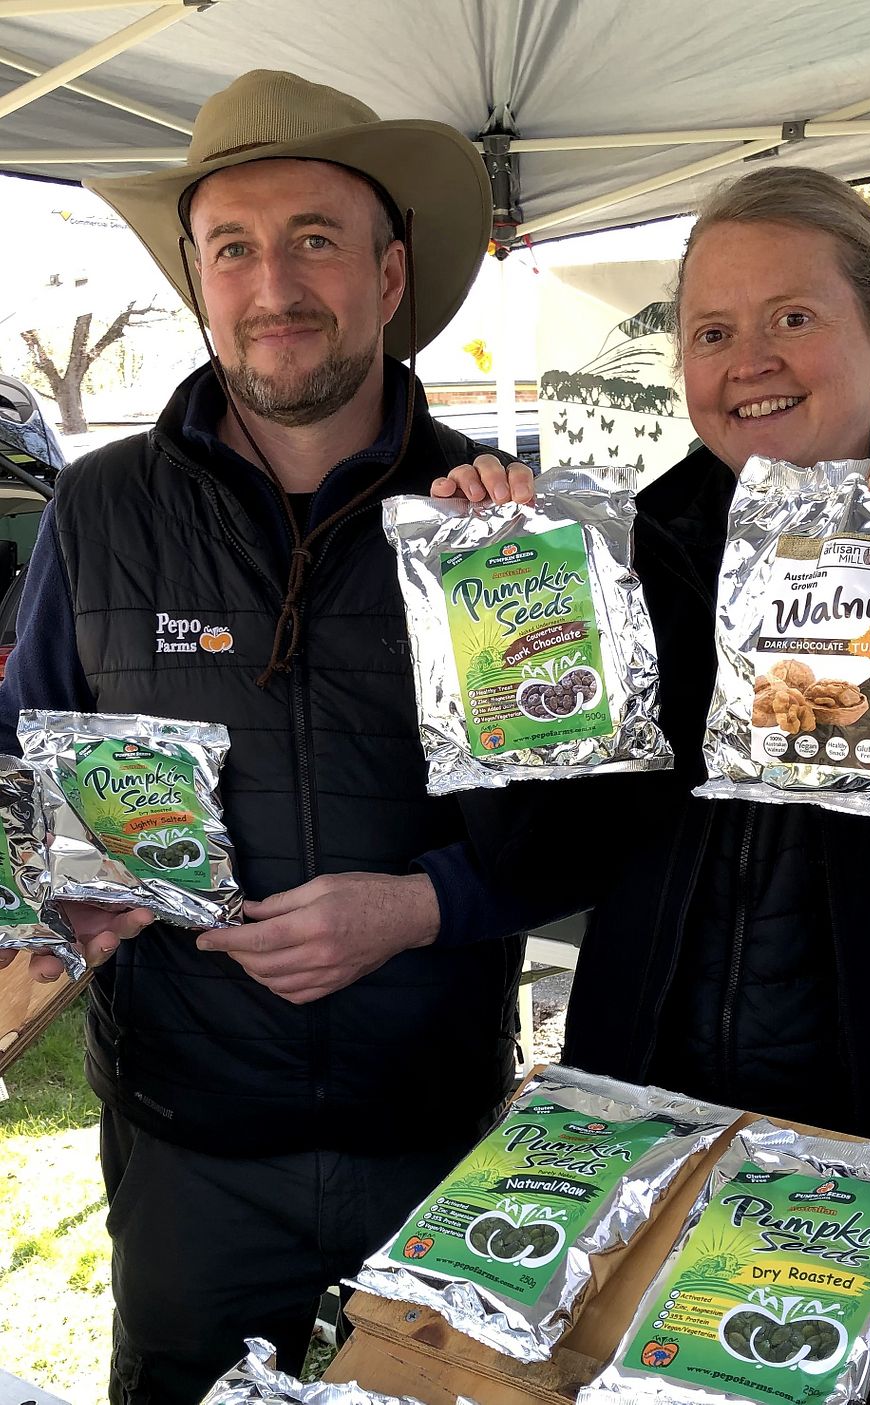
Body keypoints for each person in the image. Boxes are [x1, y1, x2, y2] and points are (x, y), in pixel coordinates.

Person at [0, 70, 529, 1404]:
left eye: (313, 239)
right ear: (197, 279)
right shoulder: (99, 507)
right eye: (232, 247)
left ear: (389, 275)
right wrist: (50, 893)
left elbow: (572, 831)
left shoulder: (490, 521)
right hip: (189, 1147)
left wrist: (420, 907)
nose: (273, 284)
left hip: (436, 1137)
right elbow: (19, 776)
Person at [434, 166, 870, 1152]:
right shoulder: (632, 555)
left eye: (792, 317)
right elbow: (538, 858)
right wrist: (495, 624)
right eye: (712, 333)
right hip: (647, 1123)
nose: (749, 361)